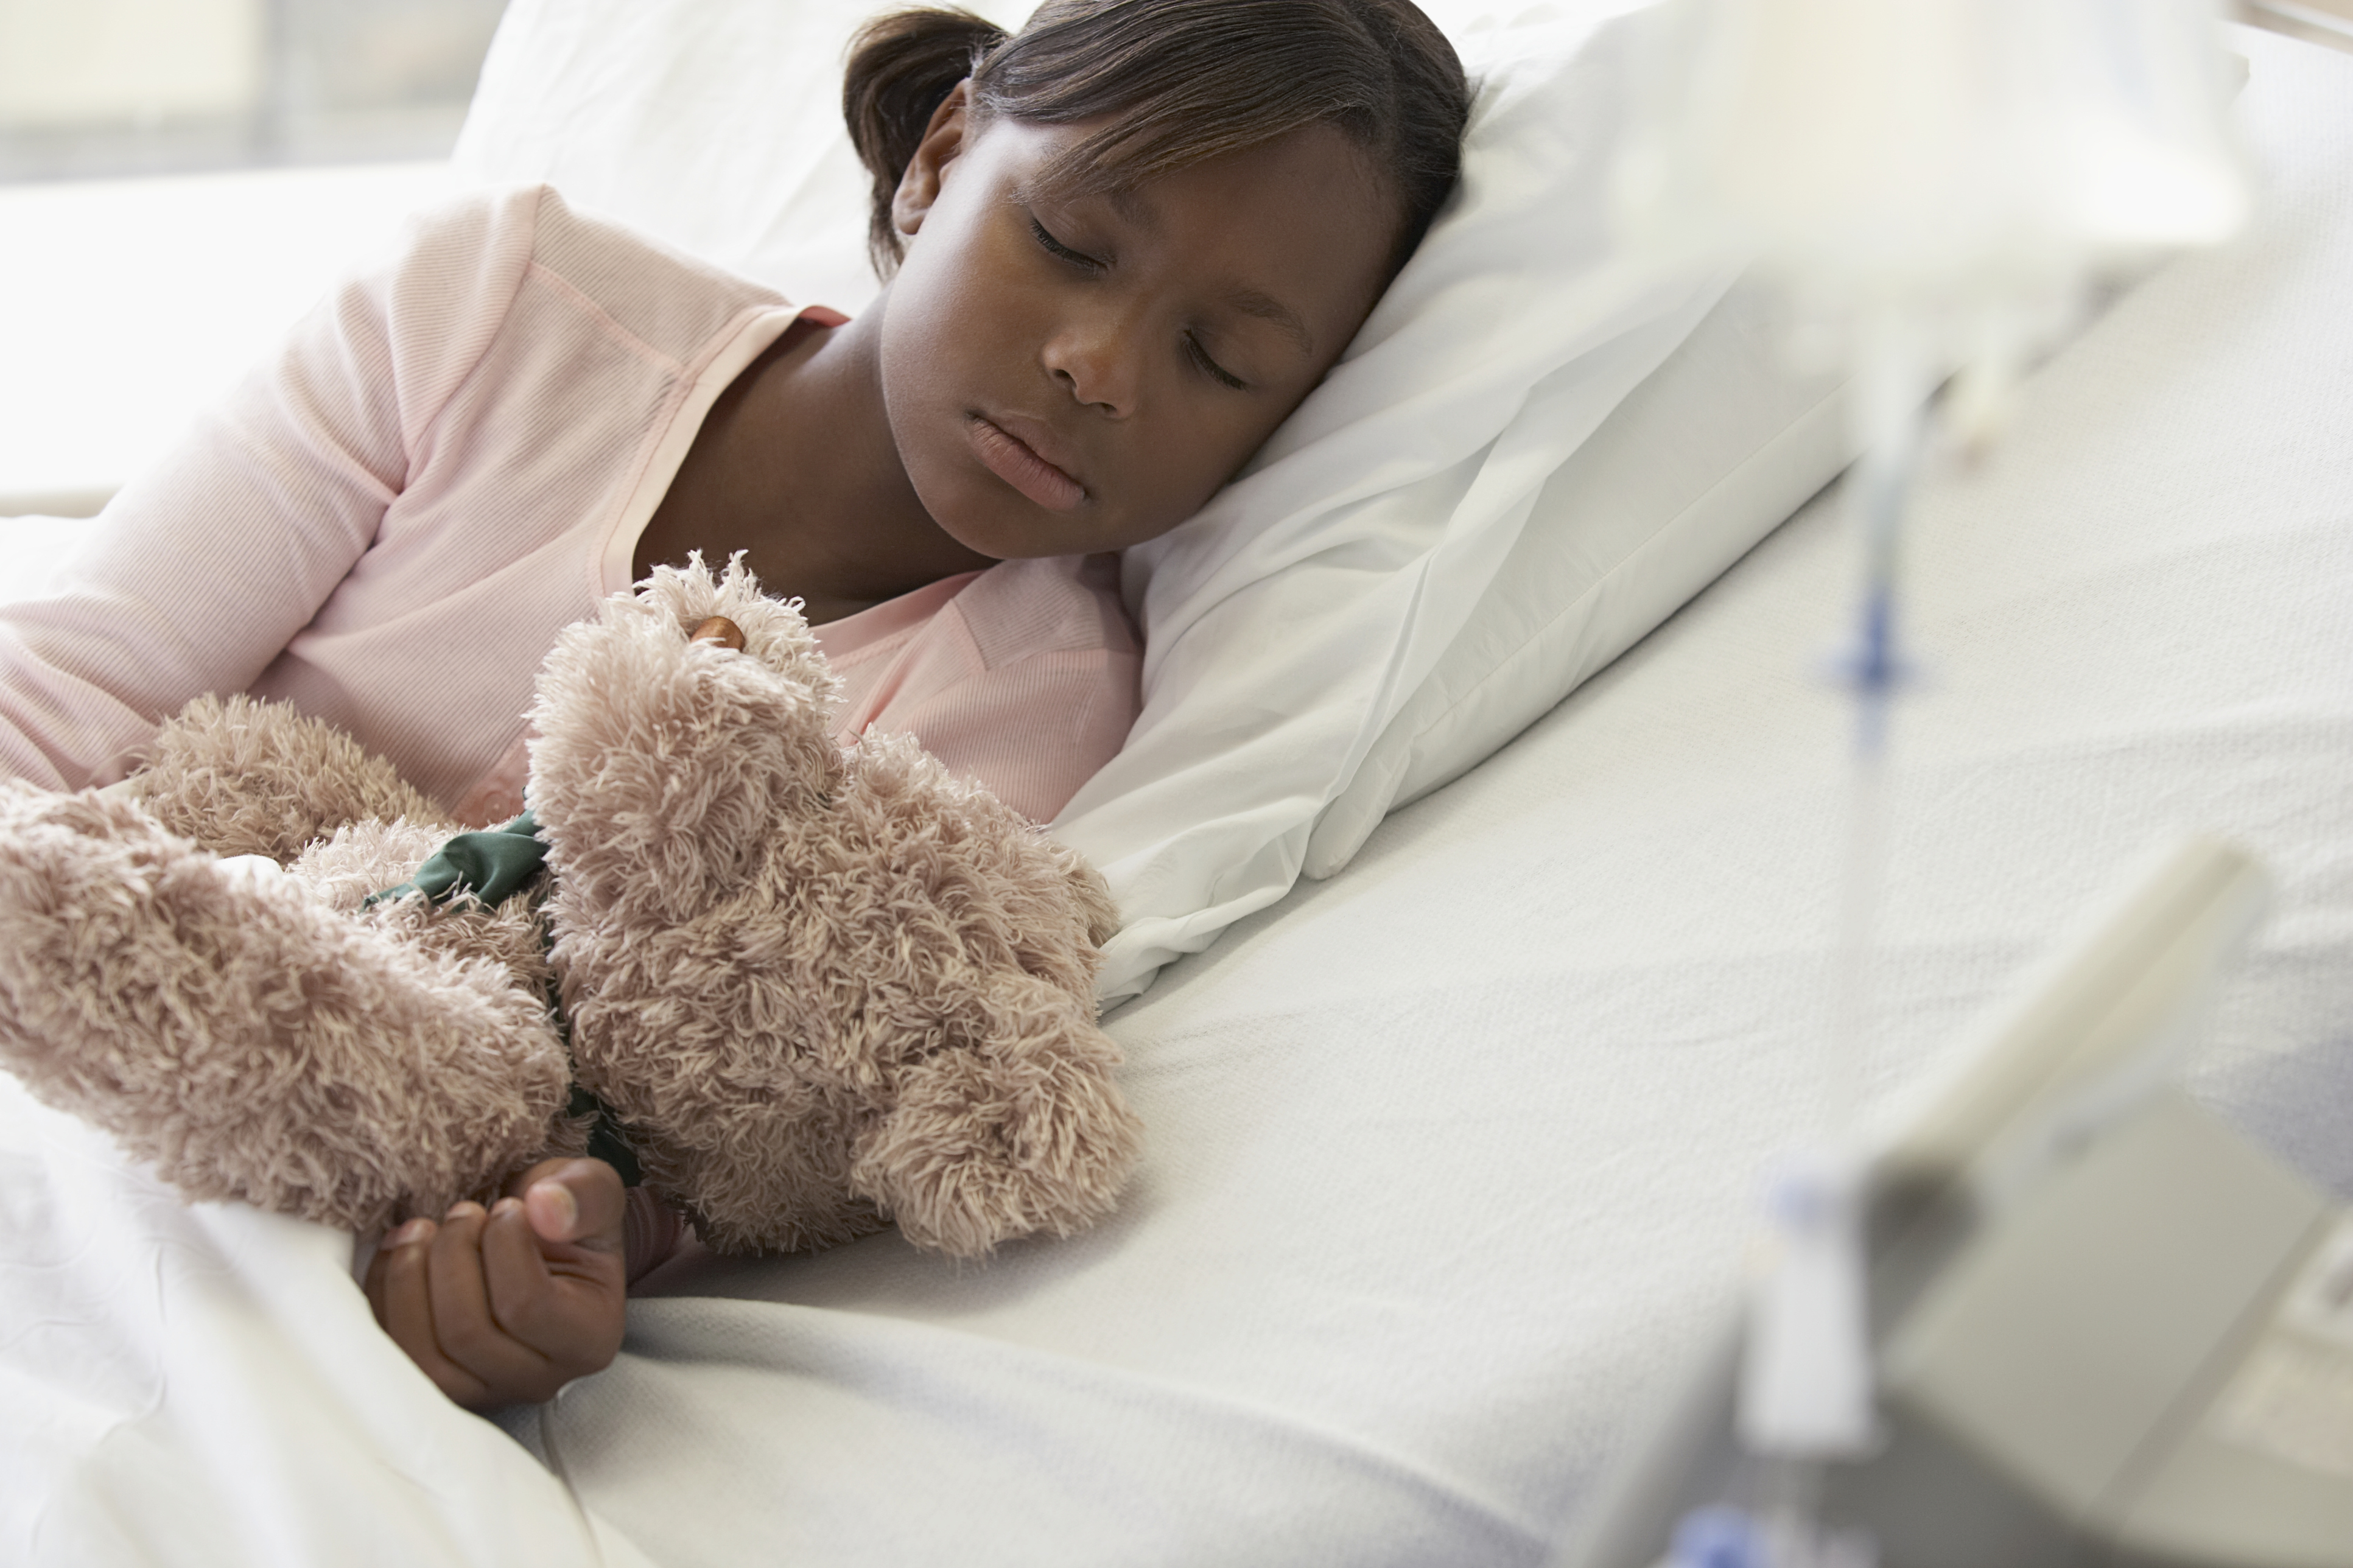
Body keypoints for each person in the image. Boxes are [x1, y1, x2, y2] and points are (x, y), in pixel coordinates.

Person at [4, 0, 1468, 1408]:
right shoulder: (492, 308)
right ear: (944, 161)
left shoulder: (1048, 717)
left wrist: (558, 1250)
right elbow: (51, 697)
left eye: (1218, 361)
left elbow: (714, 1113)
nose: (1098, 364)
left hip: (310, 1195)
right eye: (1071, 243)